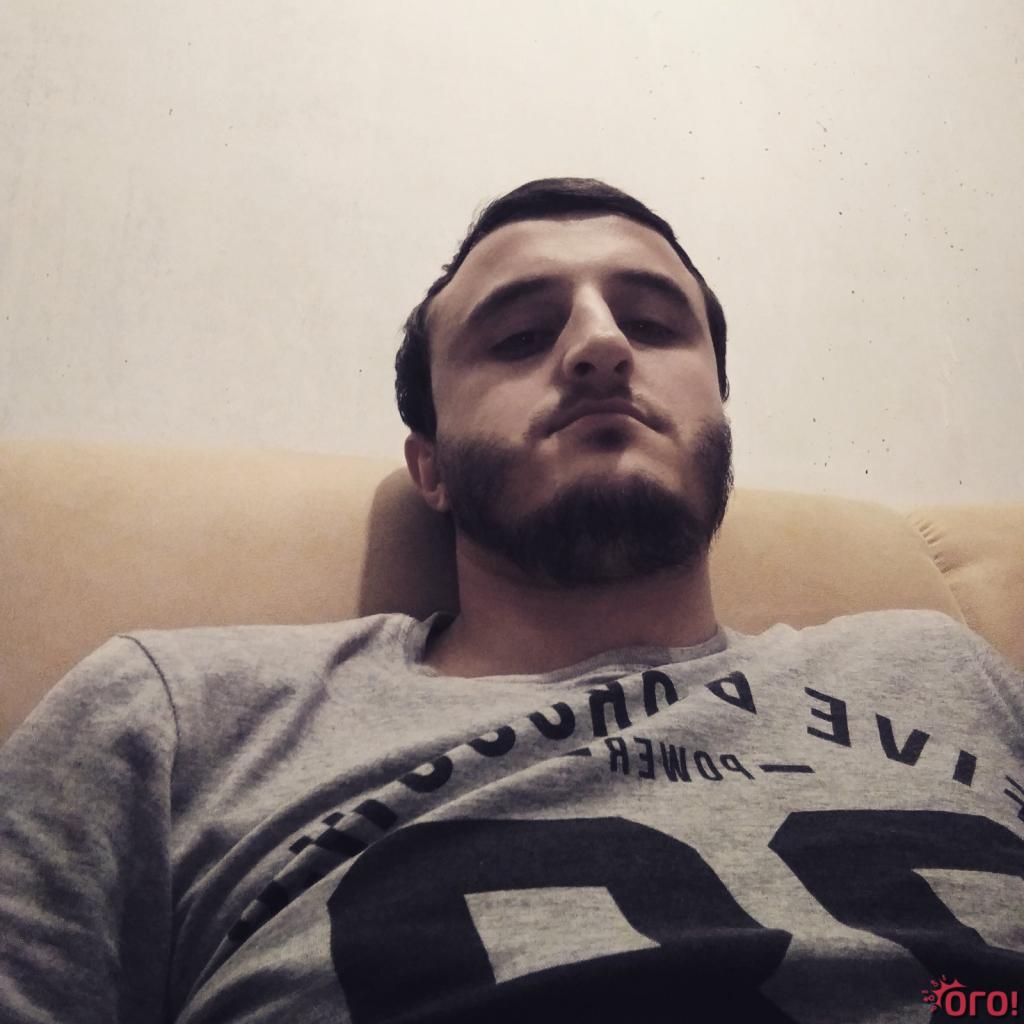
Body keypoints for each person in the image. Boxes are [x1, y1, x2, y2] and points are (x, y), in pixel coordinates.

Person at [1, 178, 1022, 1023]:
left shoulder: (941, 669)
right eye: (521, 335)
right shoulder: (181, 719)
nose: (600, 346)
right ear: (431, 466)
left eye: (653, 323)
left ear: (719, 413)